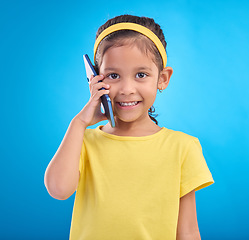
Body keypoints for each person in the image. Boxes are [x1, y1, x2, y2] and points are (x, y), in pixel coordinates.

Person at [44, 14, 214, 240]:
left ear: (162, 78)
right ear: (94, 79)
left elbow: (188, 231)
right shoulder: (83, 141)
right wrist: (79, 123)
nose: (126, 88)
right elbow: (58, 190)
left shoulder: (182, 147)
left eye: (141, 75)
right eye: (113, 75)